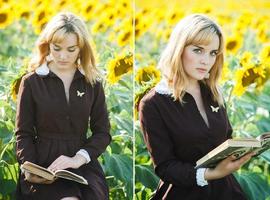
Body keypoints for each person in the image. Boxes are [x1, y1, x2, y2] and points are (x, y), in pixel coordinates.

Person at [139, 14, 254, 200]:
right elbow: (165, 167)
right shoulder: (153, 104)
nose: (206, 60)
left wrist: (242, 151)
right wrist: (211, 174)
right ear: (179, 49)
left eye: (213, 53)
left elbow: (225, 139)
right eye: (198, 50)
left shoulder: (213, 92)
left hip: (227, 191)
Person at [15, 12, 111, 200]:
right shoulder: (32, 82)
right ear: (47, 44)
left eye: (71, 49)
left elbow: (103, 132)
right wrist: (29, 167)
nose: (63, 56)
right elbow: (23, 133)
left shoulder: (92, 82)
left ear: (81, 48)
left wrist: (78, 159)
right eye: (56, 48)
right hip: (43, 164)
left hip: (81, 165)